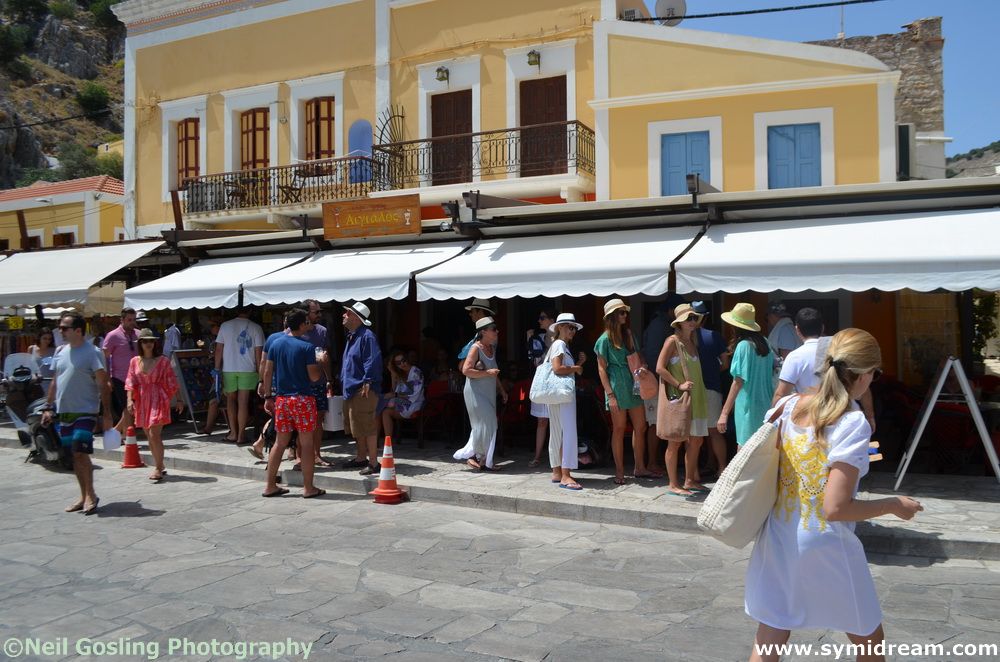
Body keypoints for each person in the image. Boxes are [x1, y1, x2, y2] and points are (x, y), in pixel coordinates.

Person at [745, 328, 923, 662]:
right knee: (870, 639)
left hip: (778, 535)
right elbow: (836, 507)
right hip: (825, 543)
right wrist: (894, 505)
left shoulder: (785, 406)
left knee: (770, 634)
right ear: (865, 374)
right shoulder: (852, 422)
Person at [43, 313, 113, 515]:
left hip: (86, 410)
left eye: (64, 328)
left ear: (78, 330)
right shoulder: (60, 351)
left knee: (80, 451)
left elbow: (103, 384)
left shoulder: (93, 352)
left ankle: (91, 494)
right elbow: (56, 380)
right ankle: (83, 495)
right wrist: (48, 406)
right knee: (73, 454)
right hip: (65, 411)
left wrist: (106, 413)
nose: (60, 331)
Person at [772, 308, 877, 434]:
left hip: (810, 422)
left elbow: (781, 394)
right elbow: (862, 384)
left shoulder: (795, 357)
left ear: (797, 330)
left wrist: (773, 424)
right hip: (846, 418)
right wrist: (870, 416)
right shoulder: (841, 350)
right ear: (822, 328)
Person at [260, 308, 325, 499]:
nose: (309, 324)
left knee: (280, 443)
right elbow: (314, 377)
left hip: (282, 399)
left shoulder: (275, 344)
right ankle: (308, 488)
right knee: (306, 444)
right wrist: (321, 362)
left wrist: (268, 396)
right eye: (307, 321)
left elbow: (267, 372)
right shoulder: (306, 347)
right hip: (303, 398)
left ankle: (270, 485)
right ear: (302, 324)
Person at [594, 298, 649, 484]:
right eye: (621, 312)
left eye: (625, 312)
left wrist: (643, 366)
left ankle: (639, 467)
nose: (625, 315)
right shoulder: (603, 340)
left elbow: (639, 356)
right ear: (612, 316)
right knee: (618, 429)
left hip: (633, 382)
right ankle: (619, 470)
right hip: (617, 384)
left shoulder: (628, 334)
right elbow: (601, 369)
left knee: (641, 426)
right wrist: (610, 394)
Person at [655, 303, 708, 496]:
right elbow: (660, 367)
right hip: (682, 398)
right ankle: (672, 484)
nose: (693, 322)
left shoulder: (692, 341)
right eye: (689, 319)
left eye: (694, 318)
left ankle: (689, 480)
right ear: (680, 322)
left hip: (697, 397)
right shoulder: (672, 341)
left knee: (696, 440)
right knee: (675, 441)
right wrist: (679, 385)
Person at [125, 328, 182, 482]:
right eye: (145, 341)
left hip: (159, 399)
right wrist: (130, 400)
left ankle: (157, 467)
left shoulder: (163, 361)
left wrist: (179, 399)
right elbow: (130, 382)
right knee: (149, 436)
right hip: (143, 400)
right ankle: (160, 464)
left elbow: (172, 380)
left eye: (151, 340)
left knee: (153, 434)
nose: (148, 343)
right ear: (140, 343)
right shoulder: (134, 361)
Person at [717, 303, 775, 445]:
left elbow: (738, 382)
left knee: (743, 452)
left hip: (748, 407)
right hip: (766, 404)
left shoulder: (744, 346)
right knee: (762, 452)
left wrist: (724, 413)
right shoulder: (765, 343)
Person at [641, 294, 684, 476]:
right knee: (655, 423)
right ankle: (651, 462)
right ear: (670, 311)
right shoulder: (660, 327)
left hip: (660, 382)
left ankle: (654, 461)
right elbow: (653, 358)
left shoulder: (661, 325)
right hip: (655, 382)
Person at [459, 316, 507, 471]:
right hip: (475, 392)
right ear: (484, 331)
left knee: (486, 425)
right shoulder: (476, 348)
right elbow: (466, 370)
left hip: (488, 392)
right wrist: (487, 372)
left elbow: (495, 372)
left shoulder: (491, 348)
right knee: (488, 422)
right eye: (493, 329)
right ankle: (481, 458)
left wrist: (502, 390)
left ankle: (479, 457)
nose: (497, 331)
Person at [340, 302, 383, 475]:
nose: (343, 315)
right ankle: (360, 457)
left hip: (362, 388)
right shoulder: (353, 335)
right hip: (352, 387)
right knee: (356, 426)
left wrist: (368, 381)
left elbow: (371, 360)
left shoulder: (367, 336)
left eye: (347, 313)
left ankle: (373, 462)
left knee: (367, 425)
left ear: (356, 317)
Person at [545, 313, 587, 490]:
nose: (573, 331)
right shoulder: (560, 344)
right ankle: (566, 475)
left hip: (556, 396)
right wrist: (577, 367)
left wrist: (577, 363)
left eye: (574, 328)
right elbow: (558, 368)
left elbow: (561, 369)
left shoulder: (558, 345)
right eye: (570, 327)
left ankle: (557, 472)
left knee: (557, 433)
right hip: (563, 397)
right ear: (560, 327)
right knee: (568, 433)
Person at [691, 300, 731, 474]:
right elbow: (725, 363)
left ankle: (694, 472)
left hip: (691, 389)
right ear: (706, 317)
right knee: (714, 432)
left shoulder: (683, 337)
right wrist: (713, 370)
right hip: (712, 387)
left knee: (694, 434)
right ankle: (721, 468)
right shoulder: (713, 336)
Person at [215, 307, 265, 444]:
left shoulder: (225, 326)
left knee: (230, 400)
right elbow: (259, 352)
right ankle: (241, 435)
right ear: (250, 311)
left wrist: (216, 368)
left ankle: (233, 432)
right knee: (243, 402)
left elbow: (219, 348)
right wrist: (259, 371)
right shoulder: (256, 327)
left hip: (229, 368)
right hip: (248, 368)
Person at [301, 299, 333, 467]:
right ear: (306, 313)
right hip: (301, 383)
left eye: (320, 312)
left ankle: (317, 454)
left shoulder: (322, 331)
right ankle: (300, 456)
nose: (320, 315)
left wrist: (329, 379)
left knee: (318, 419)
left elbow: (326, 357)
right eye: (316, 312)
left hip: (319, 381)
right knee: (302, 421)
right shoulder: (294, 332)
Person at [102, 307, 138, 433]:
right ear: (122, 320)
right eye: (129, 320)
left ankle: (116, 432)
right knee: (127, 407)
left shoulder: (138, 334)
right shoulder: (113, 336)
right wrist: (107, 379)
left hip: (137, 378)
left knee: (132, 408)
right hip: (120, 377)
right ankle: (127, 436)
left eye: (134, 319)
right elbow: (105, 358)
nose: (132, 322)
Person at [527, 309, 554, 468]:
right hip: (541, 382)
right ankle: (537, 456)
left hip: (554, 383)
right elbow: (535, 361)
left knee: (557, 421)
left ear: (552, 319)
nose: (539, 321)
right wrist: (530, 340)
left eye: (542, 318)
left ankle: (556, 458)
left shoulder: (559, 337)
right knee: (541, 420)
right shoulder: (538, 338)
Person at [381, 351, 425, 442]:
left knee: (384, 405)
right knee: (383, 408)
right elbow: (394, 390)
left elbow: (414, 395)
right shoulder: (401, 373)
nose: (402, 364)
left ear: (407, 359)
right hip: (402, 402)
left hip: (413, 404)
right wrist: (393, 374)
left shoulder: (416, 372)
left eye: (403, 360)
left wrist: (395, 396)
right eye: (398, 363)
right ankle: (387, 442)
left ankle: (383, 441)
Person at [767, 301, 802, 377]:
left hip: (786, 374)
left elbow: (786, 358)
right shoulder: (786, 327)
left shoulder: (785, 329)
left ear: (771, 316)